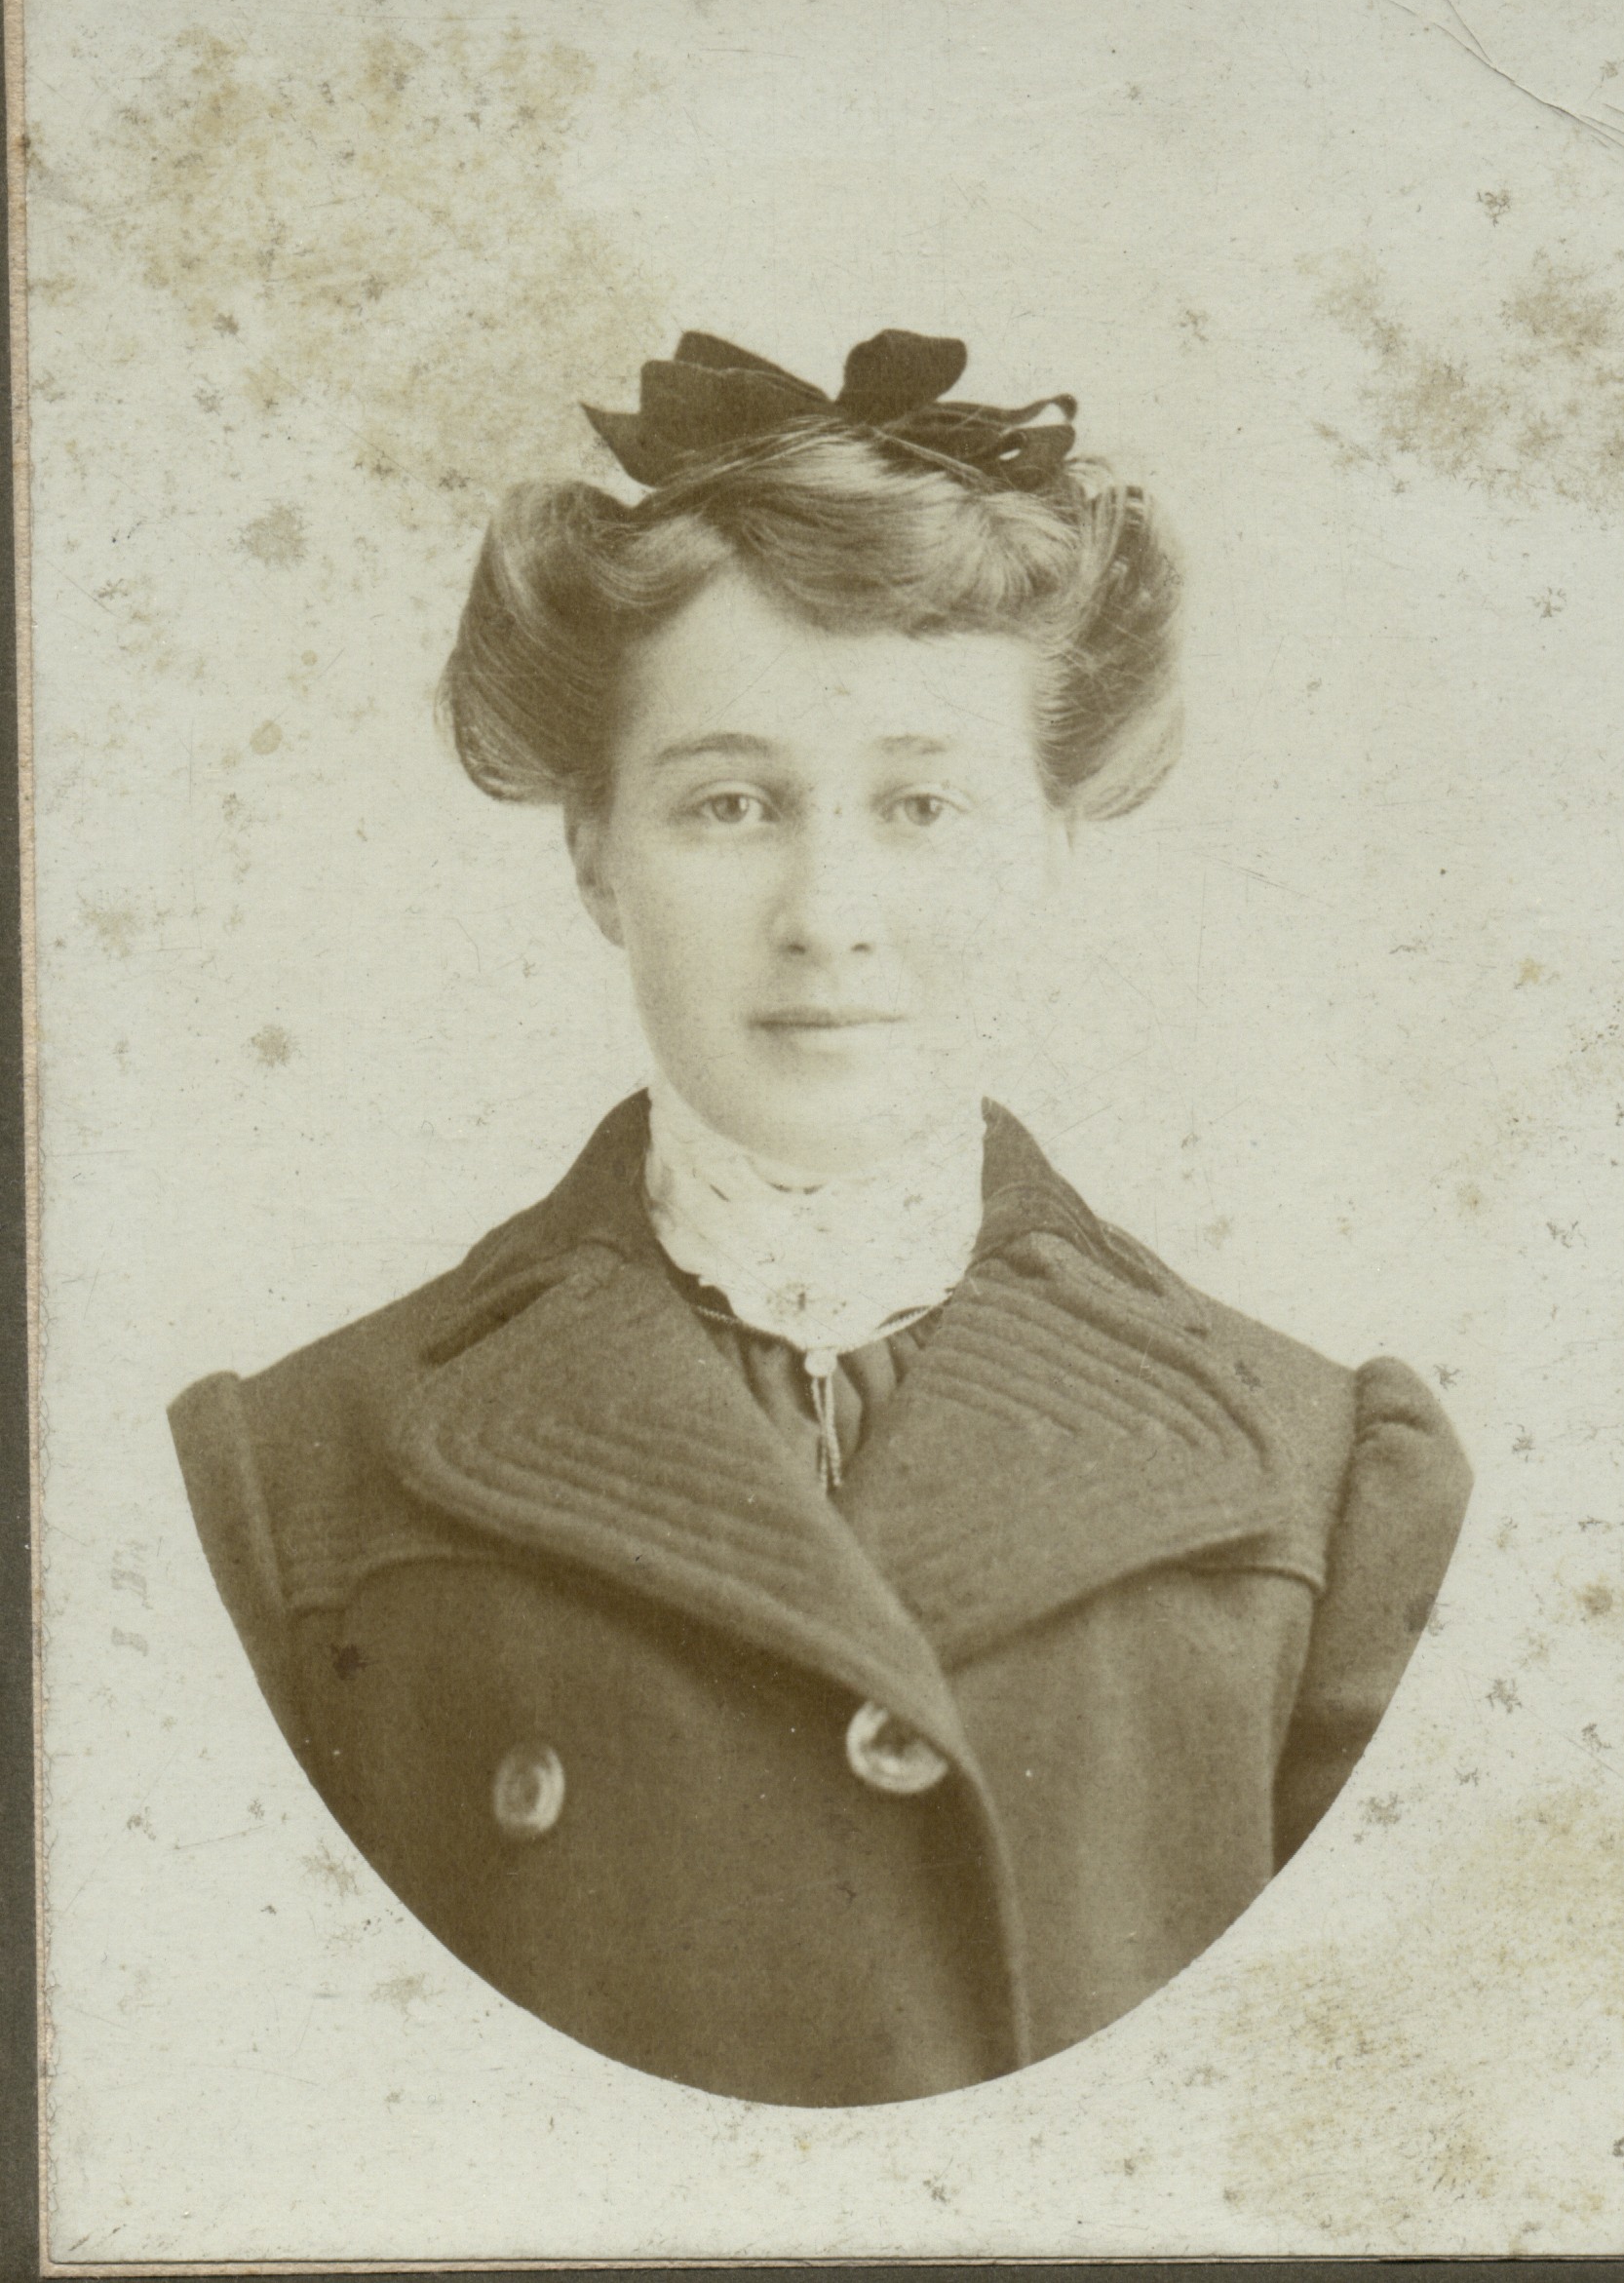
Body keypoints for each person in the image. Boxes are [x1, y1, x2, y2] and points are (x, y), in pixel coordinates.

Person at [170, 329, 1471, 2108]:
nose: (828, 911)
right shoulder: (295, 1479)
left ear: (1051, 844)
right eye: (730, 805)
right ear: (594, 855)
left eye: (923, 806)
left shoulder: (1328, 1482)